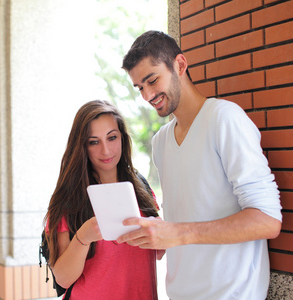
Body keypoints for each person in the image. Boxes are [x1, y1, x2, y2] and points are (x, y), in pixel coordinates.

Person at [117, 30, 283, 299]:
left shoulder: (224, 119)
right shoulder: (160, 142)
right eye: (139, 87)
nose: (147, 95)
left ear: (180, 65)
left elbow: (268, 219)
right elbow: (183, 218)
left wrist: (177, 233)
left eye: (152, 80)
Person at [44, 100, 163, 300]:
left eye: (112, 137)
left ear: (122, 138)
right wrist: (83, 237)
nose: (106, 150)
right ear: (82, 146)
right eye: (94, 141)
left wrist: (160, 232)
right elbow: (63, 279)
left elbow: (158, 253)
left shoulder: (140, 187)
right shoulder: (70, 199)